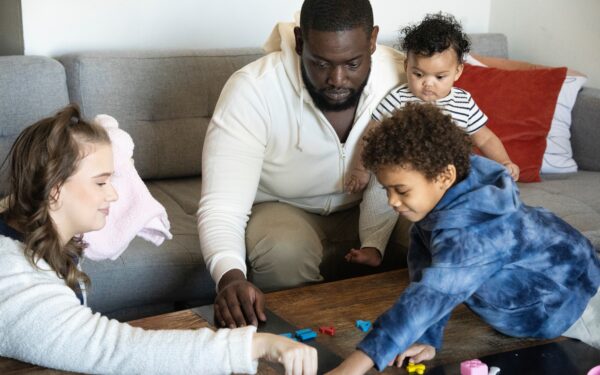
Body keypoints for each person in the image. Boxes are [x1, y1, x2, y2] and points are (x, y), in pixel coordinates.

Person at [0, 105, 317, 375]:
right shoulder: (16, 281)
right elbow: (116, 350)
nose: (113, 194)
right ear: (55, 190)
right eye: (100, 182)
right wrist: (254, 345)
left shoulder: (30, 222)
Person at [327, 103, 600, 374]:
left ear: (445, 176)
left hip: (581, 301)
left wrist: (353, 367)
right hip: (534, 308)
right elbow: (428, 274)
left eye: (401, 190)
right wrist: (427, 337)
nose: (392, 201)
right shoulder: (435, 204)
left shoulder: (476, 234)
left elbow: (433, 293)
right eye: (387, 190)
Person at [198, 0, 408, 329]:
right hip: (285, 207)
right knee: (283, 253)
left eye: (352, 64)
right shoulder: (252, 89)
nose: (337, 79)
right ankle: (299, 345)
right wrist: (229, 278)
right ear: (299, 41)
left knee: (444, 229)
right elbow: (222, 206)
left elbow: (456, 76)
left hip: (378, 204)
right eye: (321, 63)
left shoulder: (402, 72)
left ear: (372, 41)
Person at [344, 12, 519, 197]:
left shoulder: (464, 102)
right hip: (399, 175)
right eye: (418, 74)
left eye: (439, 76)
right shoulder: (397, 98)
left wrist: (504, 161)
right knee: (377, 197)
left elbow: (485, 139)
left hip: (447, 179)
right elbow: (370, 135)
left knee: (476, 194)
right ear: (406, 66)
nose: (428, 83)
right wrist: (360, 170)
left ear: (458, 71)